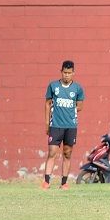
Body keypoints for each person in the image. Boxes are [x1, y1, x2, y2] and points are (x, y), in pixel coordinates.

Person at [43, 60, 85, 190]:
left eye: (69, 73)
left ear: (73, 73)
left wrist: (68, 108)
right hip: (55, 125)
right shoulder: (53, 86)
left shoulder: (78, 88)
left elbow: (80, 107)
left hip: (70, 126)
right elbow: (47, 104)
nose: (66, 75)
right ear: (61, 72)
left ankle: (64, 182)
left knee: (67, 153)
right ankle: (46, 181)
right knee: (52, 152)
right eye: (64, 73)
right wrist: (46, 123)